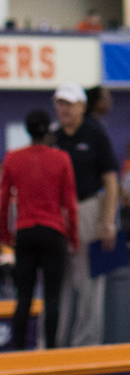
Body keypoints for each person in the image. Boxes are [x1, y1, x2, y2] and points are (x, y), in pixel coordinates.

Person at [0, 109, 78, 351]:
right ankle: (51, 351)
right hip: (53, 232)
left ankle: (20, 352)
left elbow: (2, 202)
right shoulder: (61, 158)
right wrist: (73, 238)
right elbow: (70, 204)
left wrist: (5, 235)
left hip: (25, 233)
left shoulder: (13, 158)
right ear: (49, 131)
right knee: (52, 297)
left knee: (23, 297)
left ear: (27, 131)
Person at [52, 83, 119, 347]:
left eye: (69, 104)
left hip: (89, 208)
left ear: (81, 106)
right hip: (57, 213)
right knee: (60, 280)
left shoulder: (95, 134)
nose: (64, 109)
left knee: (91, 280)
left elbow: (111, 181)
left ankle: (86, 345)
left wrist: (108, 221)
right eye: (60, 103)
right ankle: (56, 344)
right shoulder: (53, 137)